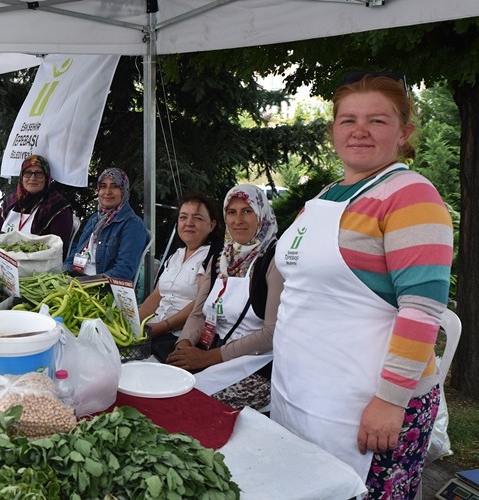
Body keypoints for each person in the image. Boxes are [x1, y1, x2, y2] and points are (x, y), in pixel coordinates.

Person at [270, 72, 453, 498]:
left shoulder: (411, 195)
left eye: (377, 120)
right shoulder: (328, 194)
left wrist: (390, 401)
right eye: (348, 120)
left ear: (404, 132)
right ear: (333, 129)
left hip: (371, 403)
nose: (360, 131)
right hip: (304, 390)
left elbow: (422, 309)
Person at [165, 184, 282, 411]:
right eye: (231, 212)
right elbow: (199, 312)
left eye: (247, 211)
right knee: (166, 390)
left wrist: (208, 359)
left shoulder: (273, 260)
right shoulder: (221, 258)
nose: (238, 220)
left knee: (190, 407)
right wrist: (184, 345)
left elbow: (271, 333)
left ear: (262, 214)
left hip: (255, 364)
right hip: (212, 353)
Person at [139, 192, 221, 348]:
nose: (189, 223)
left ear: (212, 225)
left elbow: (200, 304)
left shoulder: (213, 257)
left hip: (180, 336)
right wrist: (134, 322)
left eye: (197, 218)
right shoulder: (175, 256)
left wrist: (164, 326)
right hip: (154, 326)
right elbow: (156, 296)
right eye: (183, 217)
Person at [63, 167, 148, 281]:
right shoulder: (95, 218)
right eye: (103, 186)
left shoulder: (132, 225)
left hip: (102, 287)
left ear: (123, 190)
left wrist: (84, 282)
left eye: (114, 186)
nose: (108, 192)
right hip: (76, 279)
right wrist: (63, 272)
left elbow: (124, 271)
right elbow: (76, 251)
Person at [0, 155, 75, 256]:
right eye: (28, 173)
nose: (32, 178)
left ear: (46, 177)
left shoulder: (57, 206)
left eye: (39, 173)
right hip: (3, 260)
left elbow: (57, 248)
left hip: (39, 265)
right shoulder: (11, 202)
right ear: (21, 177)